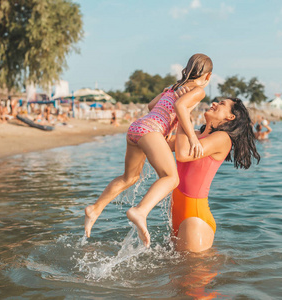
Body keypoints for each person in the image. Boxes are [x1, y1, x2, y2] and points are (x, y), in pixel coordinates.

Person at [84, 54, 214, 247]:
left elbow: (152, 105)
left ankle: (95, 208)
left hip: (136, 128)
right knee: (171, 178)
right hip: (150, 130)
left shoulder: (173, 88)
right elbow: (179, 106)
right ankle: (140, 211)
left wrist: (168, 100)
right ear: (208, 76)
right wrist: (193, 137)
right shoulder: (198, 90)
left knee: (130, 177)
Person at [168, 94, 260, 252]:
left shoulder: (222, 138)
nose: (214, 103)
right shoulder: (196, 135)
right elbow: (161, 143)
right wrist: (167, 100)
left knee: (192, 275)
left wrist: (183, 110)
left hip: (195, 218)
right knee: (176, 273)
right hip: (178, 214)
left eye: (221, 104)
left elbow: (183, 154)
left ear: (230, 116)